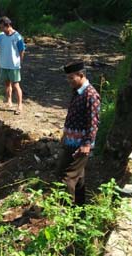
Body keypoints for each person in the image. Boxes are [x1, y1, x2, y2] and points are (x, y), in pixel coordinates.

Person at [58, 61, 100, 205]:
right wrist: (65, 135)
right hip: (71, 142)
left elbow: (93, 122)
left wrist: (87, 144)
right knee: (78, 177)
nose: (69, 81)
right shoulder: (77, 92)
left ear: (81, 75)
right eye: (67, 78)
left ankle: (64, 213)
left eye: (71, 78)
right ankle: (80, 209)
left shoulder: (90, 95)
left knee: (67, 176)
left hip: (81, 145)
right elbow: (71, 117)